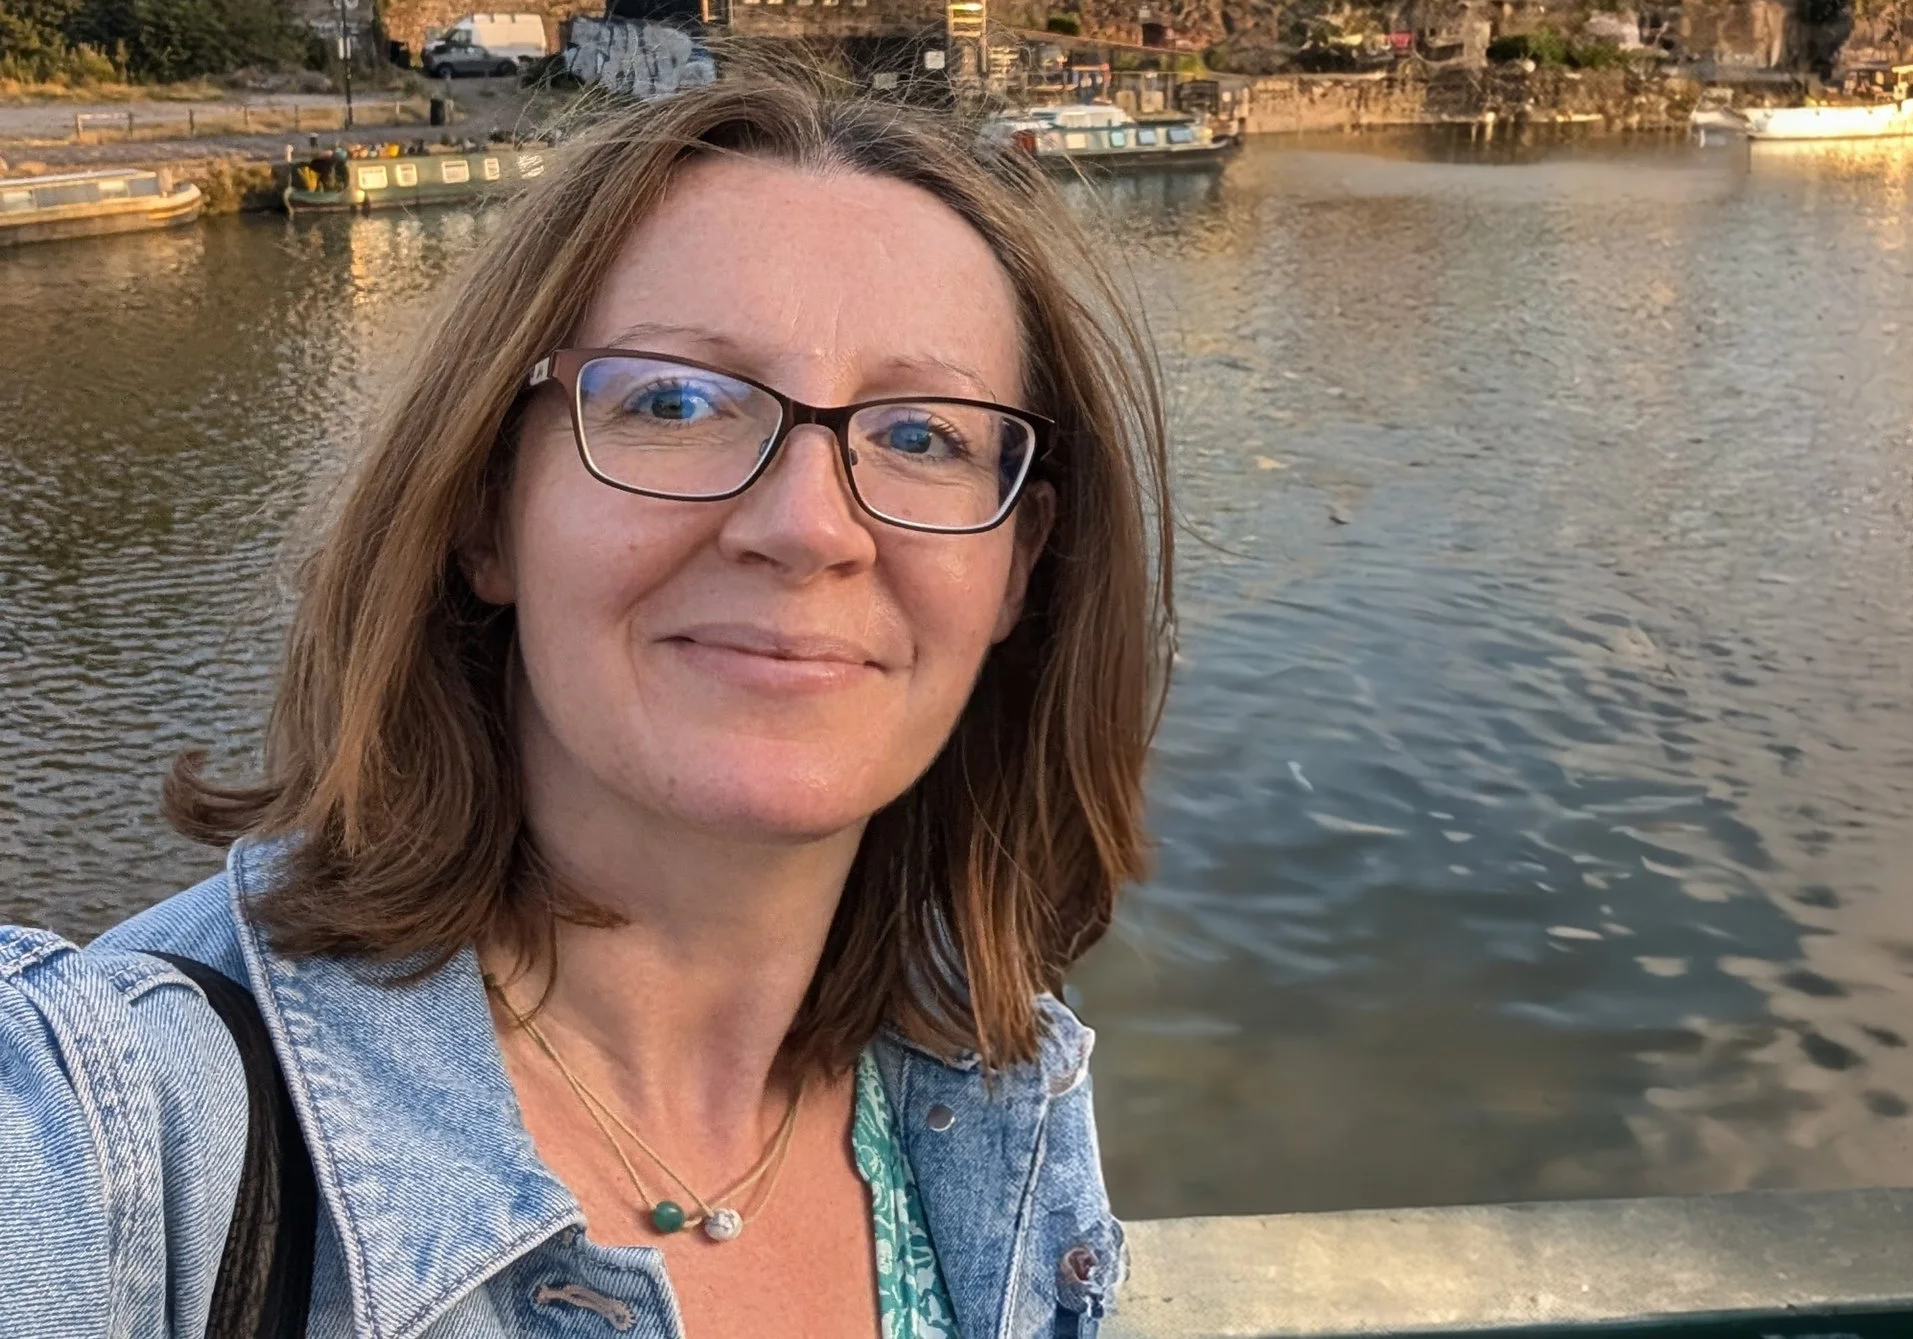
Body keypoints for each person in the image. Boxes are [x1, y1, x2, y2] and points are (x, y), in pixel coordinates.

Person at [1, 74, 1171, 1338]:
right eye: (674, 402)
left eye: (923, 435)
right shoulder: (110, 1133)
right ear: (484, 509)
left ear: (1019, 564)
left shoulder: (991, 1080)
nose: (807, 526)